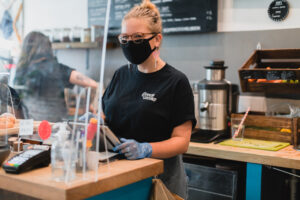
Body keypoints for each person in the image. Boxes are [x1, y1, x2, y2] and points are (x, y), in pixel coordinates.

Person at [102, 0, 196, 199]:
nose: (130, 43)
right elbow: (105, 115)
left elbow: (181, 141)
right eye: (125, 38)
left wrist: (146, 148)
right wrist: (93, 123)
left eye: (138, 37)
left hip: (160, 184)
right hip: (120, 178)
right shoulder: (120, 75)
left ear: (157, 39)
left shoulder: (176, 82)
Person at [14, 31, 98, 122]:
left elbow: (17, 109)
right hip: (56, 131)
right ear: (47, 48)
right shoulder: (56, 68)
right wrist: (86, 107)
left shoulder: (20, 72)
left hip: (31, 132)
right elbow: (92, 84)